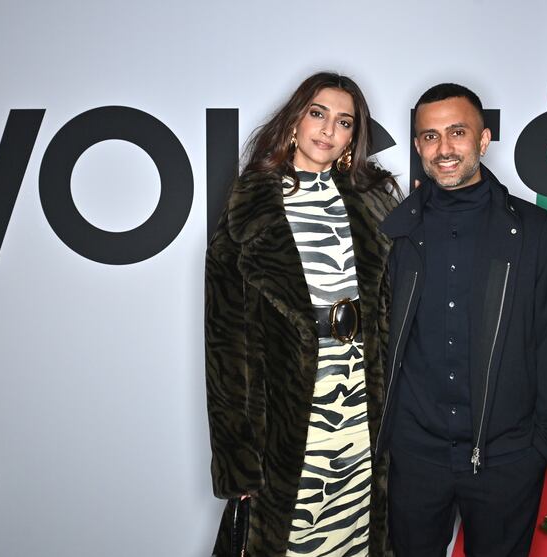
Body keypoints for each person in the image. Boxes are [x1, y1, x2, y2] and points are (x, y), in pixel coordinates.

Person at [376, 83, 547, 556]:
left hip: (506, 460)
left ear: (484, 139)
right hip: (415, 458)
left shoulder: (534, 233)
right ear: (417, 146)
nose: (444, 148)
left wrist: (540, 449)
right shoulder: (396, 232)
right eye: (430, 137)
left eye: (457, 132)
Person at [205, 72, 399, 557]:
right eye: (318, 113)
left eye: (344, 121)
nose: (328, 129)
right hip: (289, 424)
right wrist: (236, 458)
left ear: (354, 138)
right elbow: (225, 345)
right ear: (294, 121)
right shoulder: (248, 208)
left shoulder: (375, 205)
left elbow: (395, 318)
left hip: (360, 417)